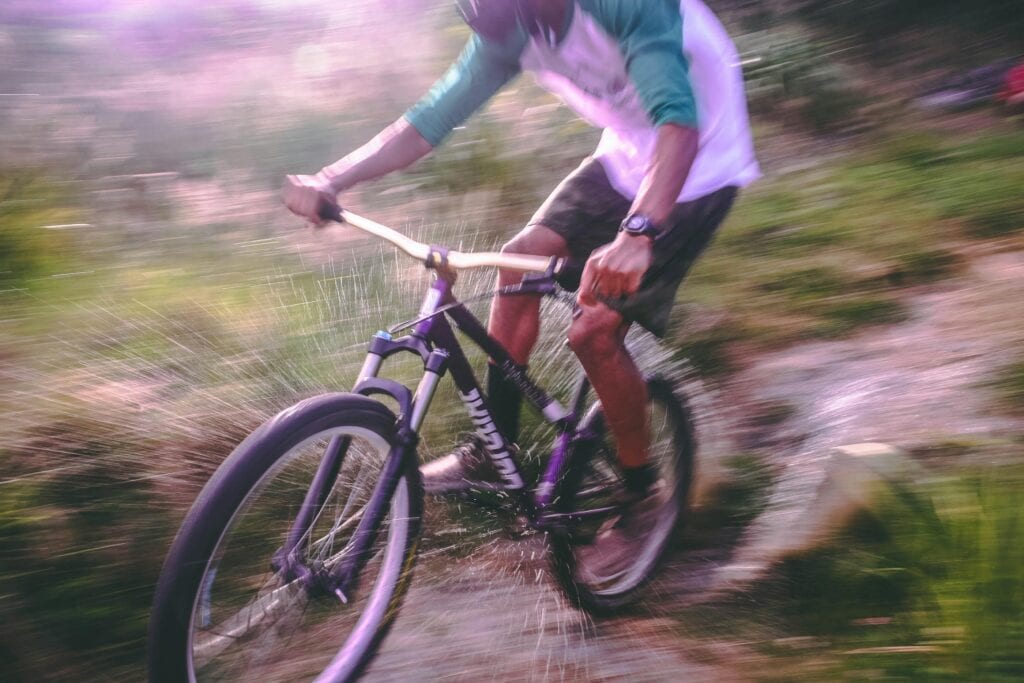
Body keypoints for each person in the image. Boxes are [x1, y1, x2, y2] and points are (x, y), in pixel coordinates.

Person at [284, 0, 759, 504]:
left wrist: (637, 235)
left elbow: (678, 126)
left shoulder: (626, 6)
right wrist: (332, 180)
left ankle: (643, 490)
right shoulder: (511, 24)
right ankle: (496, 452)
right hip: (627, 152)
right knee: (517, 261)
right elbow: (427, 123)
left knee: (593, 333)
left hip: (699, 164)